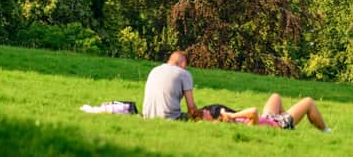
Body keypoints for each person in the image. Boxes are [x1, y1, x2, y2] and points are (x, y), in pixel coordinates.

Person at [196, 93, 331, 133]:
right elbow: (253, 111)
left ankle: (291, 126)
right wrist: (232, 115)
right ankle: (325, 131)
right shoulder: (244, 128)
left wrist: (229, 116)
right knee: (308, 102)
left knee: (275, 97)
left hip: (268, 118)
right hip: (278, 125)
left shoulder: (235, 122)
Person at [142, 51, 196, 120]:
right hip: (170, 117)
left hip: (147, 115)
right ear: (183, 63)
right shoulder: (184, 74)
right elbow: (191, 107)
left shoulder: (154, 70)